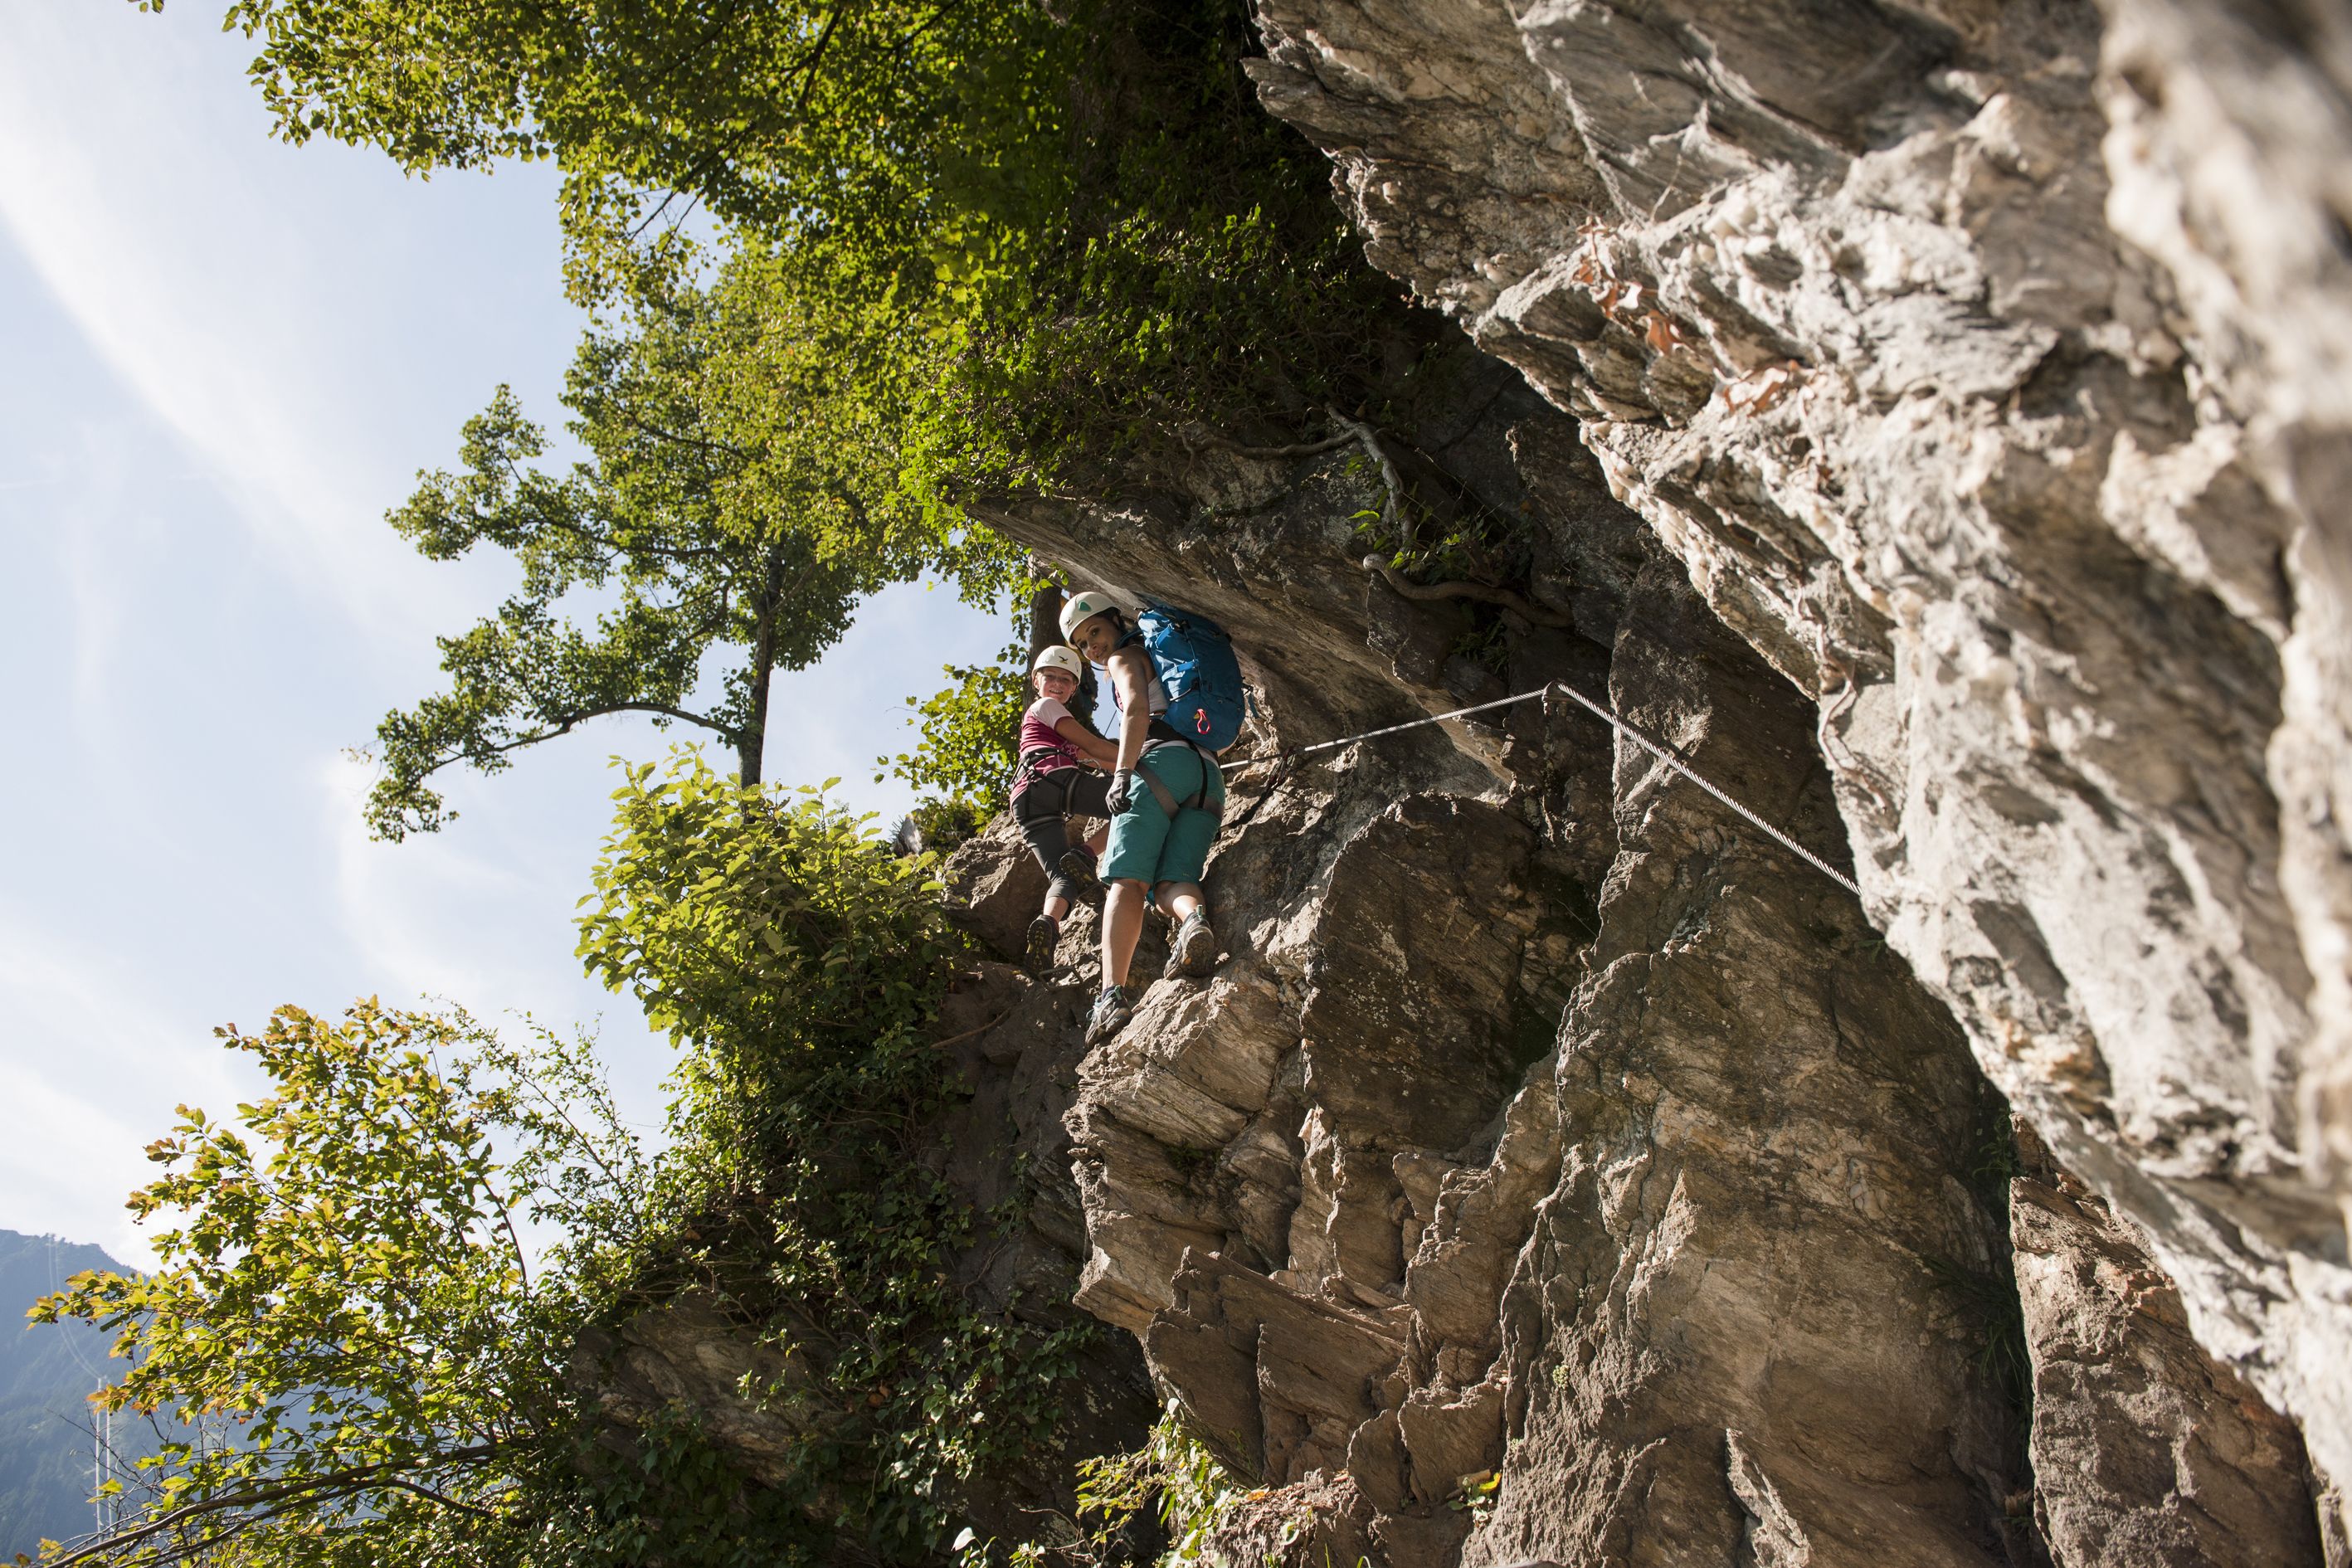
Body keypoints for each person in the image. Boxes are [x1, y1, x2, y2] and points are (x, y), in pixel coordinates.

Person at [1058, 590, 1232, 1043]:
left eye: (1094, 631)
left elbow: (1135, 708)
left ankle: (1110, 997)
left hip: (1160, 768)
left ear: (1116, 620)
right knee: (1171, 882)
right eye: (1082, 644)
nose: (1092, 648)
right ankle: (1193, 922)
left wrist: (1121, 775)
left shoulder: (1125, 657)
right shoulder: (1160, 660)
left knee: (1126, 881)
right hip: (1207, 773)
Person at [1012, 645, 1121, 972]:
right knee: (1138, 805)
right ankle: (1086, 854)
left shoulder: (1049, 727)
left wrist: (1122, 764)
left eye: (1065, 679)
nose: (1057, 684)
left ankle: (1048, 924)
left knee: (1062, 876)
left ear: (1074, 688)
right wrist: (1146, 765)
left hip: (1025, 798)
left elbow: (1099, 760)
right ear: (1036, 681)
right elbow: (1097, 747)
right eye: (1050, 677)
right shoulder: (1045, 706)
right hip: (1049, 777)